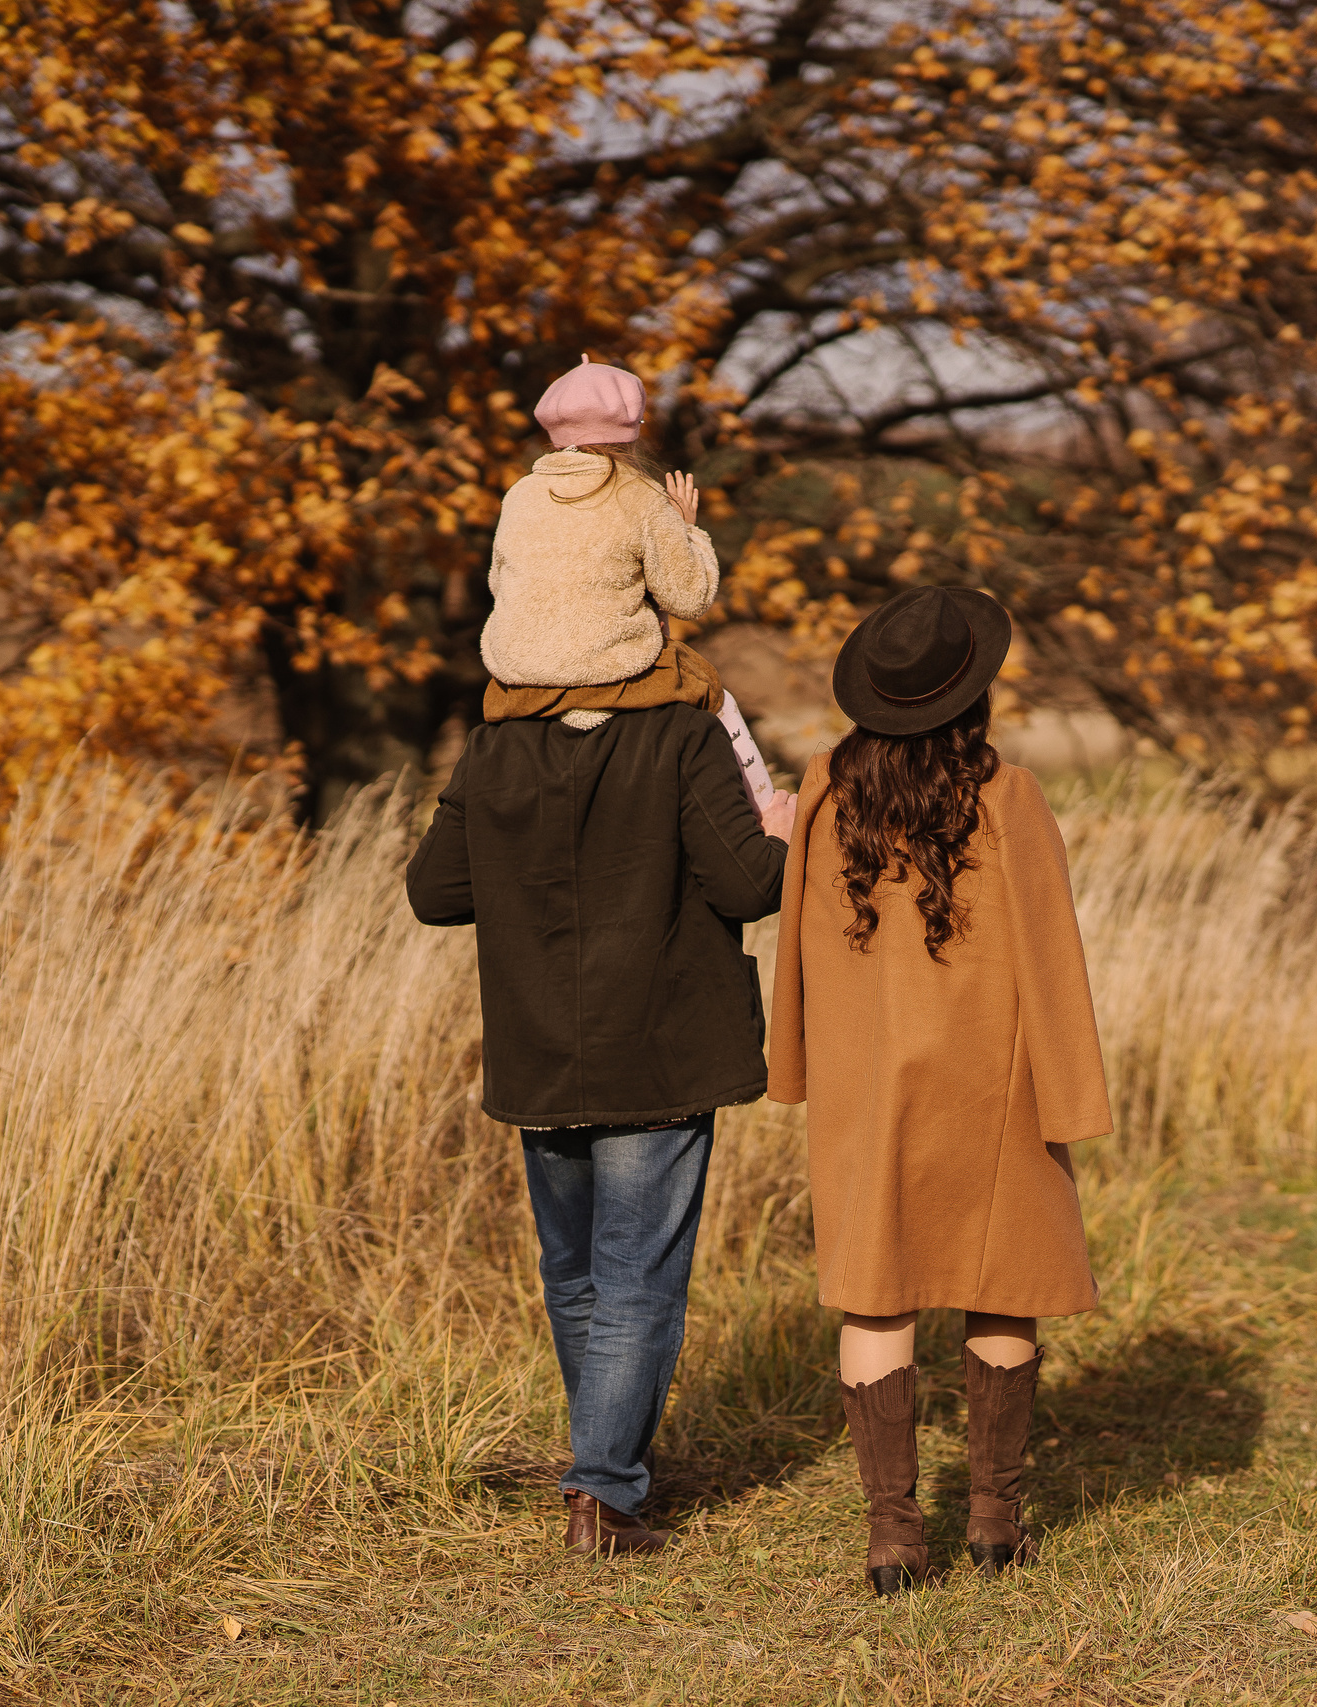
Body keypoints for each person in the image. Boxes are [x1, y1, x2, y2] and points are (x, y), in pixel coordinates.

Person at [406, 359, 797, 1559]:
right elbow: (745, 885)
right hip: (662, 1044)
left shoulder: (496, 748)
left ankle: (601, 1470)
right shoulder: (680, 734)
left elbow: (434, 893)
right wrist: (781, 830)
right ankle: (605, 1492)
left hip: (539, 1045)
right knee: (636, 1276)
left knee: (574, 1269)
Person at [768, 585, 1111, 1596]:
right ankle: (995, 1525)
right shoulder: (1004, 794)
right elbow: (1051, 955)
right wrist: (1074, 1099)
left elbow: (793, 940)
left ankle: (891, 1540)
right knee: (1003, 1277)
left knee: (878, 1293)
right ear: (972, 695)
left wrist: (791, 1062)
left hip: (865, 1081)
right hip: (990, 1075)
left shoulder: (827, 784)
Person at [477, 354, 781, 818]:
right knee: (713, 693)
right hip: (611, 677)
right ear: (630, 427)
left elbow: (501, 584)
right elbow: (689, 597)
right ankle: (768, 819)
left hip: (519, 679)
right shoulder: (639, 495)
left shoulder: (518, 495)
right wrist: (689, 530)